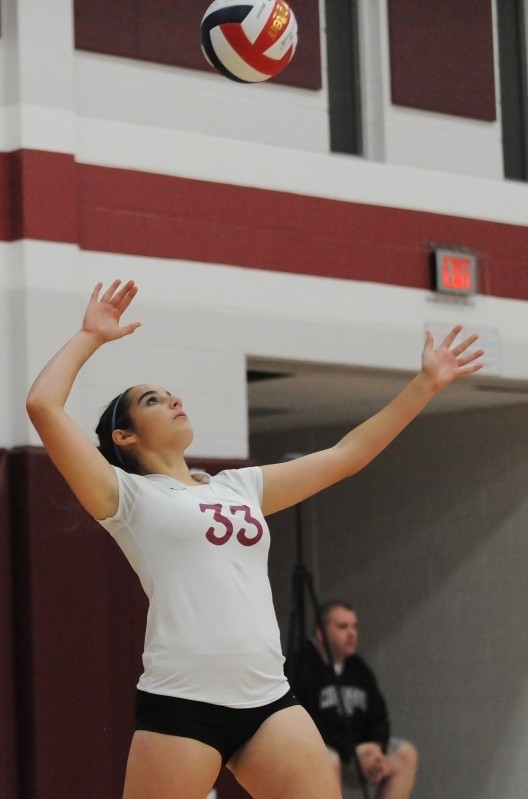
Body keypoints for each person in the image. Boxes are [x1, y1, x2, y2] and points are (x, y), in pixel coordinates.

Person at [25, 279, 483, 799]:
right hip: (184, 704)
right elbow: (43, 404)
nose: (174, 398)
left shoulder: (238, 486)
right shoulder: (125, 496)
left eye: (171, 392)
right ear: (124, 437)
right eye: (153, 400)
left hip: (268, 699)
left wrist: (425, 383)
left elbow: (345, 456)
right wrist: (90, 335)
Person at [288, 601, 418, 799]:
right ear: (320, 633)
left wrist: (376, 747)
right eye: (343, 627)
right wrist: (350, 750)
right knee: (329, 759)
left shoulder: (359, 669)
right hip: (319, 754)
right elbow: (308, 727)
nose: (352, 633)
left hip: (358, 755)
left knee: (405, 755)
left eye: (354, 627)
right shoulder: (301, 667)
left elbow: (378, 716)